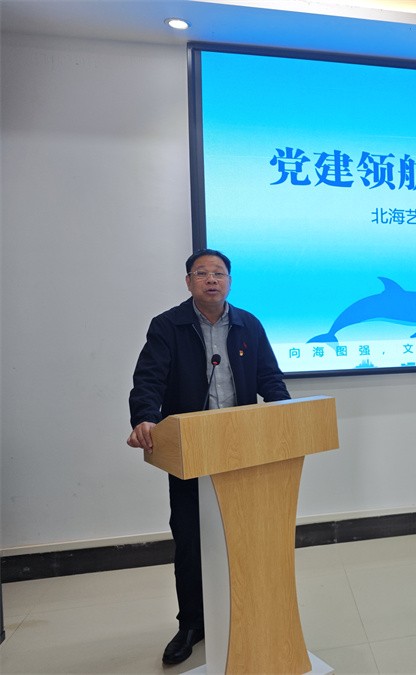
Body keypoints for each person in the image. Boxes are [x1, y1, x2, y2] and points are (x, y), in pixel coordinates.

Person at [127, 249, 290, 666]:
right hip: (190, 447)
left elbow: (269, 376)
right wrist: (145, 416)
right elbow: (149, 378)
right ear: (188, 282)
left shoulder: (248, 324)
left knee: (245, 535)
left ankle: (244, 611)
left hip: (243, 446)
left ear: (229, 281)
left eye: (218, 273)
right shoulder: (168, 325)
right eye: (202, 273)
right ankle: (192, 624)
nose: (211, 280)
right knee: (189, 539)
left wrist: (286, 414)